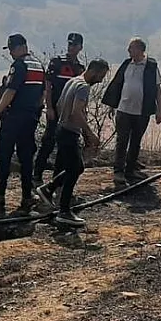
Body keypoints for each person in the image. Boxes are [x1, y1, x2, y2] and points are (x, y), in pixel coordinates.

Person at [41, 58, 110, 227]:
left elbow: (58, 105)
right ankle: (64, 211)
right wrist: (90, 134)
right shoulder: (83, 87)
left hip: (61, 128)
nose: (100, 80)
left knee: (76, 167)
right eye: (101, 76)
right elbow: (77, 112)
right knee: (74, 169)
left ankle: (49, 189)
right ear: (94, 71)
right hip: (69, 132)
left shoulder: (73, 81)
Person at [0, 33, 45, 211]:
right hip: (30, 118)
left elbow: (10, 92)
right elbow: (42, 94)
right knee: (27, 157)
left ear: (21, 47)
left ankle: (0, 196)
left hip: (14, 117)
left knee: (4, 155)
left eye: (12, 49)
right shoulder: (38, 65)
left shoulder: (19, 66)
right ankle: (27, 197)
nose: (11, 53)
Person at [101, 37, 161, 186]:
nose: (129, 50)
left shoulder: (151, 66)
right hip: (124, 110)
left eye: (132, 48)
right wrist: (112, 104)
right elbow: (117, 84)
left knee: (135, 142)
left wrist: (160, 110)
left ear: (141, 50)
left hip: (142, 111)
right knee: (122, 141)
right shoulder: (126, 64)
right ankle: (118, 171)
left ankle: (130, 170)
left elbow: (157, 89)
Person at [34, 32, 86, 182]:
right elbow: (48, 86)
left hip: (69, 113)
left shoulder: (80, 68)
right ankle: (37, 174)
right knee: (48, 141)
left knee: (65, 145)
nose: (71, 47)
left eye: (74, 45)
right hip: (55, 109)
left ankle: (57, 178)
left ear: (80, 47)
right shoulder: (56, 62)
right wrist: (49, 107)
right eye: (70, 44)